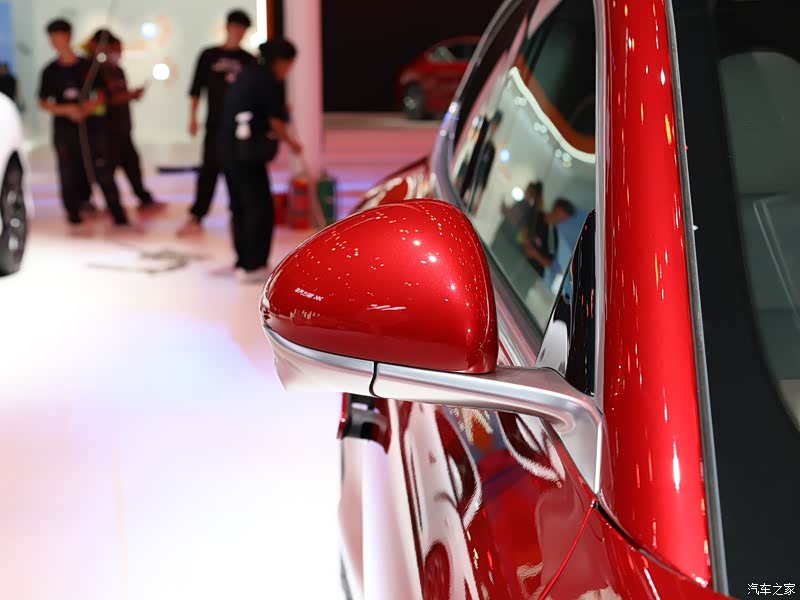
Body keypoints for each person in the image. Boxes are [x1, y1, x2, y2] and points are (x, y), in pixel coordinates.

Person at [219, 39, 302, 282]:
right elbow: (276, 120)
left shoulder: (247, 74)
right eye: (289, 65)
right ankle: (254, 264)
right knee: (259, 207)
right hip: (247, 153)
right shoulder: (269, 80)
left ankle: (243, 261)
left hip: (227, 149)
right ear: (281, 62)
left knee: (239, 206)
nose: (288, 71)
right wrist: (292, 144)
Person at [38, 19, 129, 226]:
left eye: (59, 36)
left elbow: (102, 95)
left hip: (92, 128)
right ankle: (74, 213)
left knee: (102, 170)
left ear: (68, 36)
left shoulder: (88, 67)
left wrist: (87, 108)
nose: (56, 41)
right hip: (64, 130)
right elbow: (43, 102)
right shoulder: (50, 71)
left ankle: (117, 213)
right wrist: (67, 110)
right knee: (68, 171)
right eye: (52, 37)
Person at [178, 9, 256, 236]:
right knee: (209, 170)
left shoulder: (249, 60)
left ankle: (237, 215)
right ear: (228, 27)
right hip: (214, 125)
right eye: (236, 27)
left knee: (237, 173)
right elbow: (196, 88)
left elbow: (255, 94)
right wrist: (193, 117)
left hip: (239, 128)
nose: (238, 33)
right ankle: (197, 215)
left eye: (243, 29)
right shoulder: (209, 55)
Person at [91, 30, 163, 212]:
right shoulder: (96, 72)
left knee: (132, 165)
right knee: (106, 171)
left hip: (124, 128)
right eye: (116, 49)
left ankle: (143, 197)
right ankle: (114, 207)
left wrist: (131, 95)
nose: (119, 54)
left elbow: (119, 95)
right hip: (106, 131)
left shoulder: (118, 71)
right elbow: (105, 99)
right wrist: (129, 95)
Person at [523, 198, 575, 276]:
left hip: (530, 271)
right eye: (561, 213)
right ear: (556, 207)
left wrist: (535, 254)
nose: (561, 218)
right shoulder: (536, 215)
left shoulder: (554, 237)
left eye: (564, 217)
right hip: (513, 251)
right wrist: (526, 242)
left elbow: (549, 263)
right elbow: (522, 228)